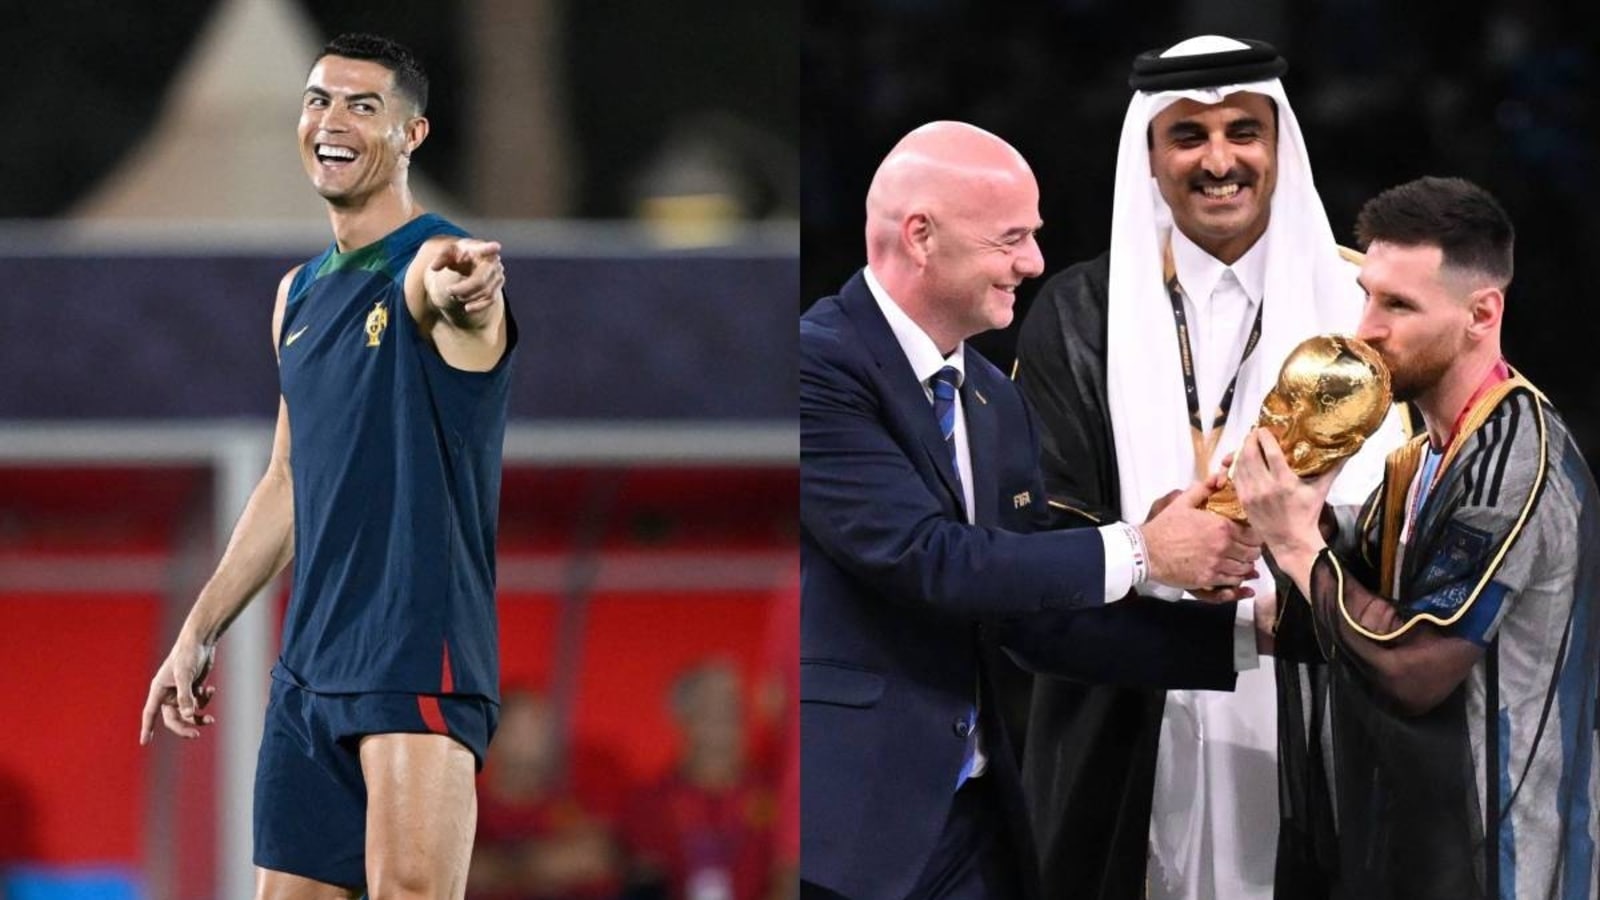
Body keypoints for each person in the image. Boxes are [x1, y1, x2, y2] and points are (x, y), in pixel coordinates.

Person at [801, 119, 1276, 900]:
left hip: (974, 829)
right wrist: (1144, 550)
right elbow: (929, 559)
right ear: (921, 236)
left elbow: (1033, 615)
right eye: (1011, 238)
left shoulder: (993, 396)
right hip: (843, 840)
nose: (1034, 262)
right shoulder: (816, 368)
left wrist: (1252, 633)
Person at [1011, 34, 1407, 900]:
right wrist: (1150, 542)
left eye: (1243, 131)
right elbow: (1038, 523)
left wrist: (1301, 545)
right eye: (1188, 135)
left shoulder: (1362, 307)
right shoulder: (1081, 312)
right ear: (1149, 156)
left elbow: (1411, 514)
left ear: (1280, 143)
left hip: (1313, 687)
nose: (1219, 160)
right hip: (1130, 693)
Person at [138, 33, 516, 899]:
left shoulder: (429, 261)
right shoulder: (297, 295)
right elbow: (287, 480)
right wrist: (196, 634)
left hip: (416, 649)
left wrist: (467, 289)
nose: (332, 121)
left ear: (412, 135)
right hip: (309, 667)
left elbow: (446, 288)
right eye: (318, 101)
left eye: (362, 105)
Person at [1233, 175, 1600, 900]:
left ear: (1481, 313)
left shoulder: (1516, 463)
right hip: (1416, 851)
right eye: (1368, 294)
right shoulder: (1421, 456)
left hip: (1502, 863)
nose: (1366, 326)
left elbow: (1414, 669)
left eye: (1398, 304)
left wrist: (1298, 540)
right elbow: (1345, 608)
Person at [621, 661, 781, 900]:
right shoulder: (650, 803)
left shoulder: (775, 794)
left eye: (735, 708)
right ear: (681, 718)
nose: (728, 721)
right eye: (712, 710)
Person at [469, 689, 623, 900]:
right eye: (530, 724)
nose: (544, 736)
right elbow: (458, 867)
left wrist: (503, 864)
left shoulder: (569, 806)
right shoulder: (469, 807)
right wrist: (541, 861)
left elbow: (593, 859)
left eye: (546, 726)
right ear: (494, 734)